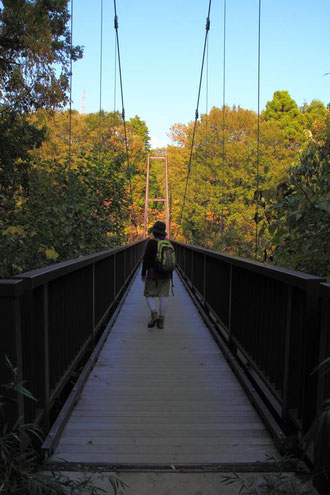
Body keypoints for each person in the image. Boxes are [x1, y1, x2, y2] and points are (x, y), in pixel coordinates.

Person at [141, 221, 172, 329]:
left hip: (152, 273)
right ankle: (161, 321)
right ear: (163, 232)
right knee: (164, 297)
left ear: (154, 232)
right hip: (166, 274)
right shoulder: (168, 242)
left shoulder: (151, 243)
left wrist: (143, 273)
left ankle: (154, 314)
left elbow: (146, 260)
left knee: (149, 295)